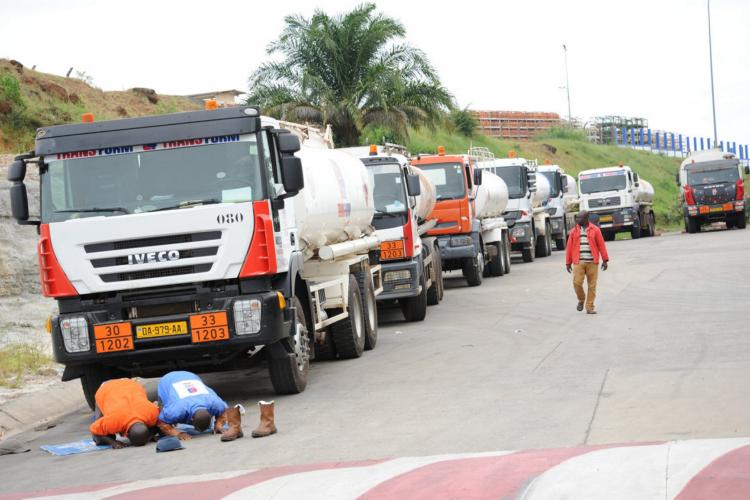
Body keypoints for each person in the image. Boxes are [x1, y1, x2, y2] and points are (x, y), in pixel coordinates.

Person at [157, 371, 243, 442]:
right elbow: (161, 422)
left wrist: (218, 425)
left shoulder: (215, 404)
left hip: (190, 376)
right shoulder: (175, 410)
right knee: (165, 416)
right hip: (167, 380)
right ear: (192, 419)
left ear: (210, 413)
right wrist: (177, 433)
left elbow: (224, 411)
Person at [90, 378, 162, 448]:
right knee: (99, 438)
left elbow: (163, 422)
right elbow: (94, 430)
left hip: (129, 383)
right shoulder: (113, 421)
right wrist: (112, 442)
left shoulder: (151, 413)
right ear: (127, 434)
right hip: (106, 388)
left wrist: (150, 435)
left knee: (159, 426)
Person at [565, 211, 609, 314]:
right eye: (576, 218)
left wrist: (605, 260)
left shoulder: (595, 230)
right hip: (578, 261)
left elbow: (601, 245)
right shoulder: (573, 232)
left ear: (586, 218)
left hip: (592, 262)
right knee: (577, 283)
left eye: (579, 218)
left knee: (592, 285)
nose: (577, 220)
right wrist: (568, 263)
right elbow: (569, 248)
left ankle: (589, 307)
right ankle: (581, 299)